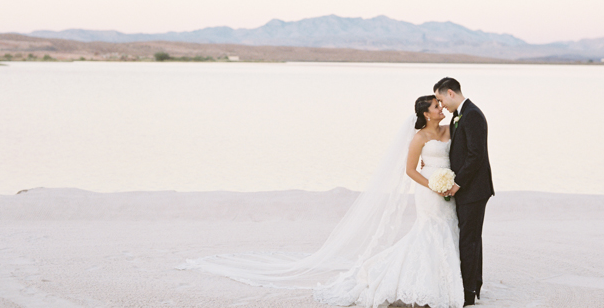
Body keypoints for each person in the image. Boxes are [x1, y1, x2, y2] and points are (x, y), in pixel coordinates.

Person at [179, 95, 467, 308]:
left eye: (441, 104)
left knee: (445, 230)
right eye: (436, 106)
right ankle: (417, 283)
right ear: (426, 114)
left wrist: (449, 183)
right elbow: (409, 170)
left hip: (447, 189)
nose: (441, 107)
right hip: (428, 192)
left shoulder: (449, 129)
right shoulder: (419, 138)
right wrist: (433, 185)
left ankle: (442, 281)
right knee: (428, 231)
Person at [433, 77, 495, 307]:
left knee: (468, 240)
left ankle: (468, 294)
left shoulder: (472, 115)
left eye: (441, 99)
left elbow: (476, 156)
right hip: (469, 189)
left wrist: (456, 184)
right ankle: (473, 285)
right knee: (470, 239)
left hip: (474, 190)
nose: (442, 106)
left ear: (450, 92)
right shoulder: (463, 114)